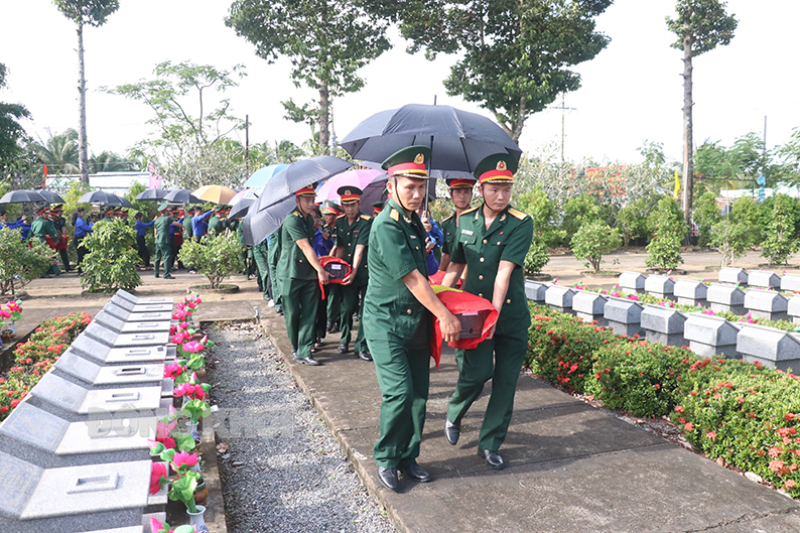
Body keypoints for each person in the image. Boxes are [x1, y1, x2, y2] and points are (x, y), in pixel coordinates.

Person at [363, 146, 461, 491]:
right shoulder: (387, 226)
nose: (418, 194)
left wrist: (430, 238)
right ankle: (387, 458)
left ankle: (408, 456)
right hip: (386, 322)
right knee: (399, 393)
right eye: (410, 187)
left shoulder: (413, 223)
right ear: (392, 186)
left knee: (420, 394)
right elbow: (414, 280)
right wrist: (445, 314)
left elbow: (430, 271)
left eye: (422, 187)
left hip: (415, 322)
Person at [441, 153, 533, 470]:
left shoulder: (521, 223)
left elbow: (504, 273)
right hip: (473, 317)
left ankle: (490, 443)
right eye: (494, 189)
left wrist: (494, 316)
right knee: (477, 373)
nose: (501, 196)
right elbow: (455, 264)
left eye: (506, 189)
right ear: (481, 189)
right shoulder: (464, 222)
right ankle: (455, 410)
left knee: (506, 383)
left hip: (509, 317)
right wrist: (438, 299)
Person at [278, 185, 330, 365]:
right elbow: (305, 247)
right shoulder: (292, 220)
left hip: (308, 273)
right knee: (292, 313)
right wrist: (321, 270)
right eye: (306, 200)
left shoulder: (309, 219)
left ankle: (305, 350)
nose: (310, 204)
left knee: (309, 312)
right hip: (290, 272)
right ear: (297, 200)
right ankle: (295, 345)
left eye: (312, 199)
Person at [329, 186, 373, 362]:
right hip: (346, 273)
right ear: (342, 205)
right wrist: (335, 267)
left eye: (353, 205)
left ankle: (361, 346)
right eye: (346, 205)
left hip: (363, 271)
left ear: (359, 204)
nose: (349, 209)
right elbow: (339, 247)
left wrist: (353, 272)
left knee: (364, 311)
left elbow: (359, 250)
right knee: (346, 308)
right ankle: (344, 340)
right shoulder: (339, 222)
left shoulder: (366, 221)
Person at [438, 177, 476, 272]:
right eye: (458, 192)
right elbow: (447, 254)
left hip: (473, 275)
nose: (462, 196)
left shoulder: (479, 221)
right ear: (451, 195)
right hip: (453, 275)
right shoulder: (447, 224)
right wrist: (440, 275)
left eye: (466, 192)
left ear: (471, 194)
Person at [320, 201, 342, 333]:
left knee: (337, 295)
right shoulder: (324, 230)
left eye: (329, 215)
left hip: (340, 265)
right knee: (331, 294)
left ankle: (335, 320)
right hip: (327, 265)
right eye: (326, 215)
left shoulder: (340, 227)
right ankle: (331, 319)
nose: (326, 217)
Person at [153, 203, 184, 279]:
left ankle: (156, 273)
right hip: (164, 240)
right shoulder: (167, 219)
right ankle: (166, 274)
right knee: (167, 257)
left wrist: (157, 238)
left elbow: (155, 232)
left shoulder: (157, 220)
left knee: (157, 257)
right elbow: (176, 223)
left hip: (157, 241)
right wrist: (183, 227)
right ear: (165, 212)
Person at [30, 206, 62, 276]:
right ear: (40, 214)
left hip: (35, 241)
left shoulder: (34, 223)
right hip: (42, 240)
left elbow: (30, 233)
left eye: (47, 214)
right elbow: (51, 232)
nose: (47, 215)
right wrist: (56, 239)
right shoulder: (45, 222)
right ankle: (53, 271)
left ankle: (43, 272)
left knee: (39, 257)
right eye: (45, 214)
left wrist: (28, 242)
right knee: (50, 255)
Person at [49, 204, 71, 272]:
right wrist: (61, 237)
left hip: (60, 238)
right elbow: (56, 230)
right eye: (59, 212)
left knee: (63, 252)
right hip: (54, 238)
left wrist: (64, 237)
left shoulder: (62, 219)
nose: (60, 213)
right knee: (53, 254)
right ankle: (52, 268)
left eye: (61, 212)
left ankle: (67, 267)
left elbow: (63, 228)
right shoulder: (52, 220)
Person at [267, 228, 282, 313]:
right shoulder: (275, 226)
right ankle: (278, 303)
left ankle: (279, 303)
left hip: (280, 256)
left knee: (276, 280)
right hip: (275, 256)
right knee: (275, 280)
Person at [72, 207, 93, 272]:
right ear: (79, 213)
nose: (83, 213)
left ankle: (82, 269)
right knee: (81, 254)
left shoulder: (80, 219)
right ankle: (80, 270)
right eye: (82, 212)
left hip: (81, 238)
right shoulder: (80, 220)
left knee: (84, 253)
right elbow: (87, 228)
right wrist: (92, 224)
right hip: (79, 238)